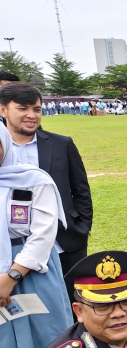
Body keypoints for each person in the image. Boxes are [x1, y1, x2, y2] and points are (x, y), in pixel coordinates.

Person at [0, 83, 93, 291]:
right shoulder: (1, 150)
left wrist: (83, 226)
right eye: (23, 108)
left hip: (64, 244)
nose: (31, 115)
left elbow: (81, 190)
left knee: (72, 303)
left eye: (37, 109)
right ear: (3, 110)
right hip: (11, 248)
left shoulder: (61, 144)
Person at [0, 121, 73, 348]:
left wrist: (11, 278)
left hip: (34, 272)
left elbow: (43, 234)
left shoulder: (33, 179)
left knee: (50, 342)